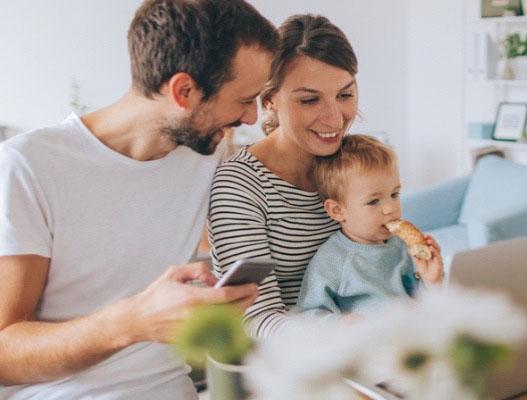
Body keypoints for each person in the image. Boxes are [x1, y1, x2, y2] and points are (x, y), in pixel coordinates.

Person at [0, 1, 278, 399]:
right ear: (184, 91)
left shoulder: (206, 154)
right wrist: (133, 321)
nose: (250, 118)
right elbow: (4, 353)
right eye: (243, 100)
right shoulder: (29, 165)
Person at [209, 13, 357, 337]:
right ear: (270, 100)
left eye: (344, 95)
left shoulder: (355, 164)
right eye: (309, 99)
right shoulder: (239, 185)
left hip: (365, 352)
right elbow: (257, 320)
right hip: (287, 364)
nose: (335, 118)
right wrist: (345, 332)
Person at [295, 135, 444, 318]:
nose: (390, 208)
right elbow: (308, 315)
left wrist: (431, 281)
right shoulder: (331, 260)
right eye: (374, 201)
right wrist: (341, 324)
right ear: (337, 210)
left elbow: (422, 301)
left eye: (395, 194)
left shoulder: (401, 246)